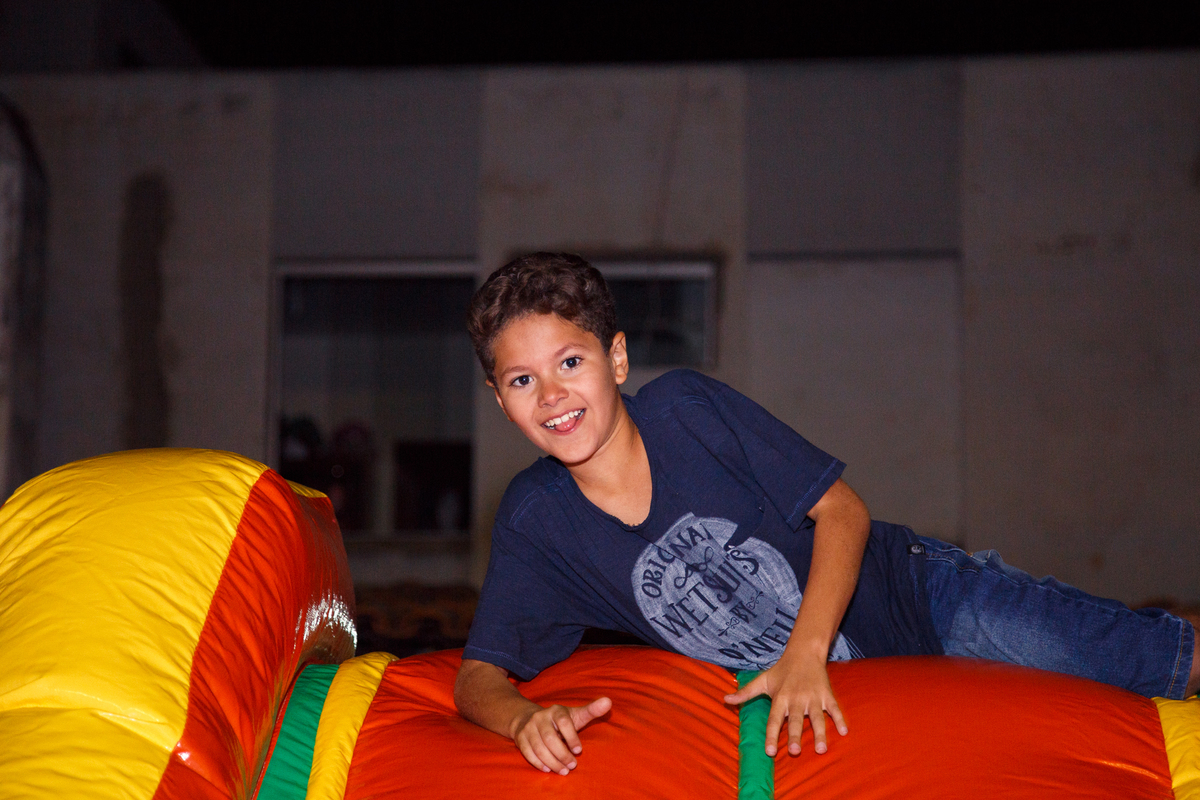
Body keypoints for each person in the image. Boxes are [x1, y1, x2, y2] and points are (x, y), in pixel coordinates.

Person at [453, 252, 1199, 777]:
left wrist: (804, 654)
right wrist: (522, 719)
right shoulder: (537, 523)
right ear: (499, 400)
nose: (551, 395)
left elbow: (843, 512)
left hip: (922, 605)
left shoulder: (685, 411)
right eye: (523, 379)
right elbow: (478, 674)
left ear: (616, 360)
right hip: (848, 698)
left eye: (570, 363)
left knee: (1141, 659)